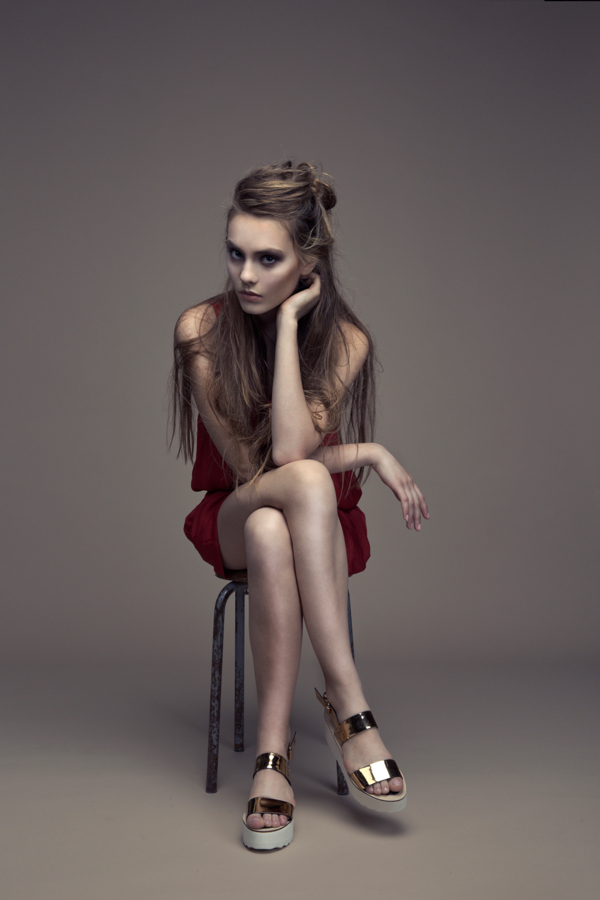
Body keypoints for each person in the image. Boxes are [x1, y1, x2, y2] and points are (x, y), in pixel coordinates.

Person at [171, 162, 429, 850]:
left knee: (272, 528)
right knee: (288, 493)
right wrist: (369, 452)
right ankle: (350, 706)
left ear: (308, 265)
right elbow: (259, 465)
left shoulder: (345, 339)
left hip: (298, 529)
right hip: (231, 507)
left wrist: (288, 327)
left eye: (268, 259)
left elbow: (288, 451)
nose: (245, 276)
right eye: (236, 254)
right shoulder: (200, 328)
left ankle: (271, 756)